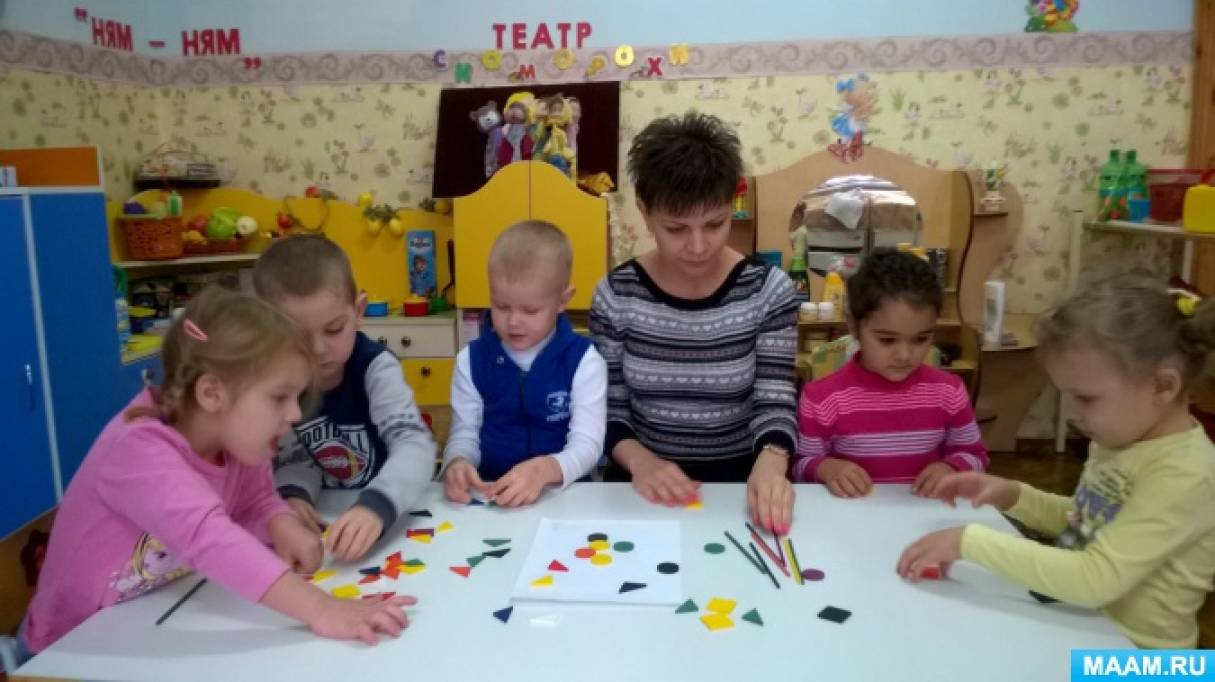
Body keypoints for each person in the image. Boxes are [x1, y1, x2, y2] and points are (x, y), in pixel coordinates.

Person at [15, 288, 412, 665]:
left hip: (144, 626)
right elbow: (210, 540)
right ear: (211, 393)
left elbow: (256, 500)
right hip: (62, 651)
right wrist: (323, 609)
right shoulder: (139, 451)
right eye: (279, 397)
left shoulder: (238, 441)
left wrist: (281, 524)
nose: (295, 414)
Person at [899, 274, 1215, 649]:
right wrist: (1012, 495)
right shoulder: (1123, 439)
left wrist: (969, 542)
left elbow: (1095, 578)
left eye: (1086, 398)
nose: (1074, 414)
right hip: (1085, 625)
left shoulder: (1187, 474)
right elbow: (1088, 522)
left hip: (1146, 661)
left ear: (1163, 386)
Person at [589, 111, 797, 533]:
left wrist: (772, 461)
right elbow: (609, 409)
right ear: (645, 213)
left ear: (732, 204)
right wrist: (641, 461)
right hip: (639, 488)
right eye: (676, 228)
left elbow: (774, 400)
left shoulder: (767, 291)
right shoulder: (617, 294)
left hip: (738, 488)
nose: (699, 246)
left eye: (715, 224)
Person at [254, 235, 435, 562]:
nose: (318, 349)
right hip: (328, 515)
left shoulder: (376, 368)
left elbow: (414, 446)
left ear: (358, 310)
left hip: (389, 510)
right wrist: (294, 495)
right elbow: (296, 459)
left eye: (334, 329)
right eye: (297, 336)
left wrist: (377, 506)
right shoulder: (278, 380)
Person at [791, 249, 988, 497]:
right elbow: (800, 467)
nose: (904, 355)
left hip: (926, 514)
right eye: (887, 340)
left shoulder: (949, 392)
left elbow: (976, 457)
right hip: (853, 514)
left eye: (920, 339)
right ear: (854, 326)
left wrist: (952, 467)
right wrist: (825, 468)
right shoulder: (821, 398)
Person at [442, 221, 606, 506]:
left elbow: (587, 445)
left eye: (530, 310)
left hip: (565, 497)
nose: (513, 321)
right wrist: (458, 460)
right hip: (492, 497)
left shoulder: (584, 361)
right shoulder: (471, 361)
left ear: (563, 300)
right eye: (501, 306)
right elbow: (465, 433)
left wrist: (544, 471)